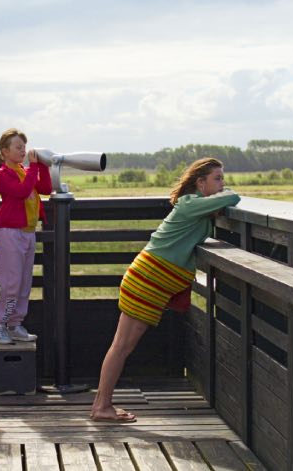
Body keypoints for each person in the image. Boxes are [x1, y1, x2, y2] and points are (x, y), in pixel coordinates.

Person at [90, 157, 241, 422]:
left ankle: (101, 404)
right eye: (217, 179)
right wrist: (225, 196)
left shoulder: (196, 207)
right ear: (200, 183)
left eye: (223, 179)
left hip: (151, 280)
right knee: (122, 346)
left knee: (121, 345)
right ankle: (102, 407)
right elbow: (232, 198)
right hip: (147, 280)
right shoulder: (190, 204)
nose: (222, 184)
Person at [0, 128, 52, 344]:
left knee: (24, 282)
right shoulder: (4, 174)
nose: (23, 151)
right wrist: (34, 167)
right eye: (18, 147)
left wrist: (42, 165)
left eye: (24, 147)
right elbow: (23, 191)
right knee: (11, 283)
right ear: (5, 151)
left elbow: (45, 187)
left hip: (27, 232)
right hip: (10, 233)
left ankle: (15, 324)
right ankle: (0, 324)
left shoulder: (26, 171)